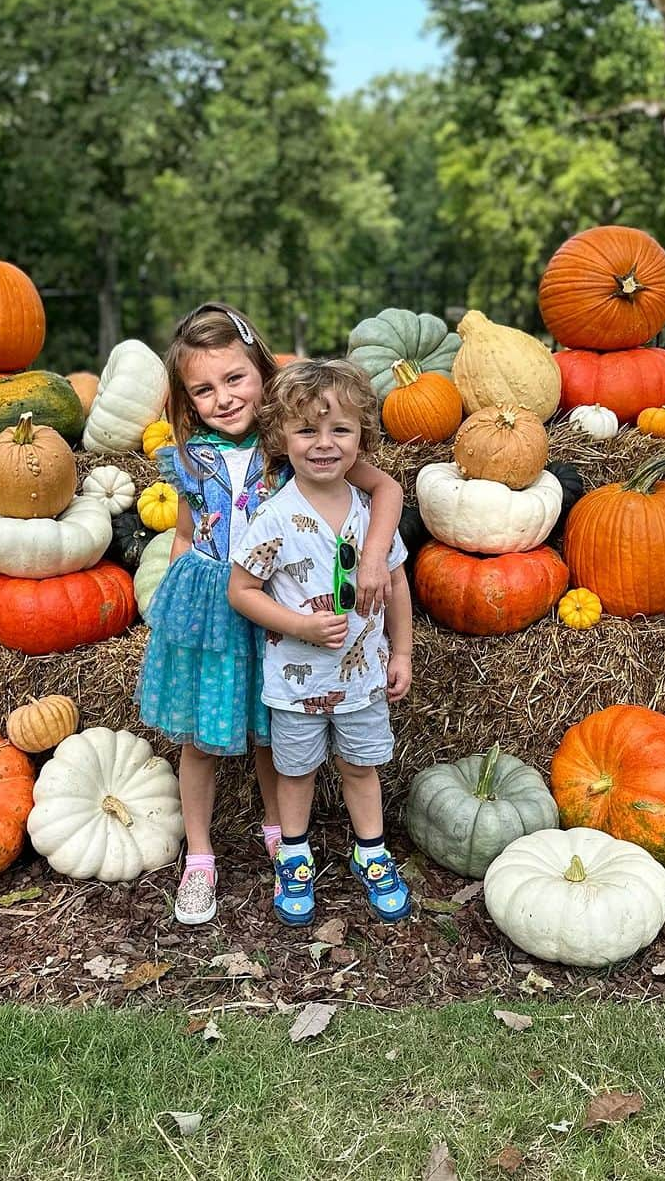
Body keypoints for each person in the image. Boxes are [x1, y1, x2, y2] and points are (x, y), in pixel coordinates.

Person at [136, 304, 403, 926]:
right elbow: (184, 533)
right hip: (210, 601)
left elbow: (386, 488)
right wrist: (172, 598)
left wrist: (370, 560)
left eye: (235, 380)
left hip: (281, 602)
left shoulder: (293, 438)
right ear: (187, 399)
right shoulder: (186, 458)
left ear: (262, 371)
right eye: (204, 389)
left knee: (268, 725)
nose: (223, 398)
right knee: (203, 736)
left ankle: (284, 837)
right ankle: (199, 856)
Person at [228, 358, 413, 927]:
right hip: (296, 683)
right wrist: (299, 624)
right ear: (283, 437)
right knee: (297, 771)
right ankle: (295, 855)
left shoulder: (367, 512)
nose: (324, 444)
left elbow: (398, 583)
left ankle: (372, 852)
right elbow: (242, 590)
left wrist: (401, 652)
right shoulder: (275, 517)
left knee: (360, 767)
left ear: (362, 436)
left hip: (362, 680)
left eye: (340, 430)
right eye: (308, 430)